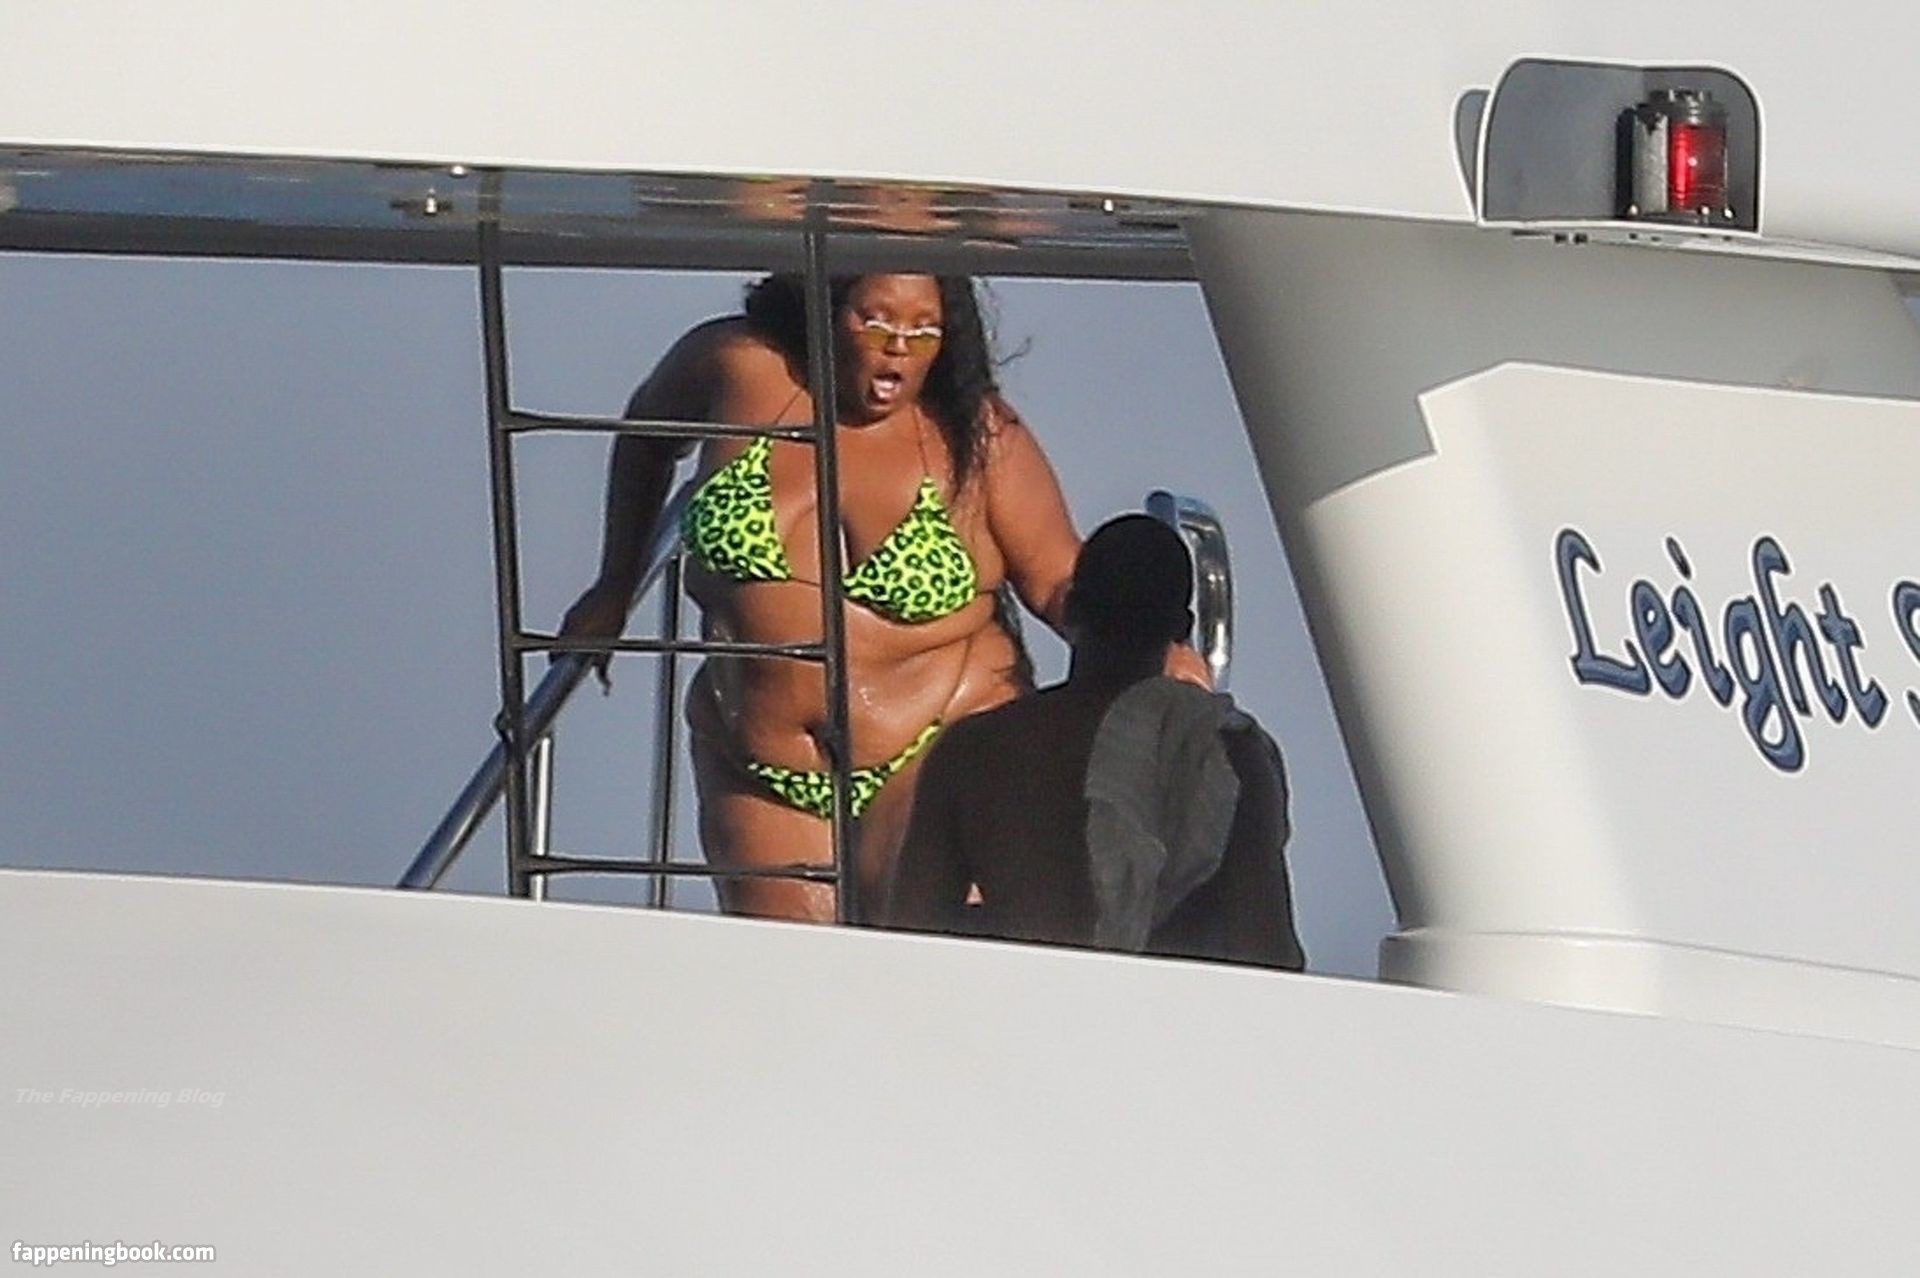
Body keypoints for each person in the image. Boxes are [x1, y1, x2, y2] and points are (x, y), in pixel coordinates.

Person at [559, 273, 1081, 922]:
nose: (898, 346)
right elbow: (646, 438)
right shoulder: (737, 365)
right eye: (877, 321)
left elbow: (1059, 578)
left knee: (925, 958)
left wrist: (1156, 647)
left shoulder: (978, 433)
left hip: (939, 744)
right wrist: (614, 581)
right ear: (828, 310)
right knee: (795, 973)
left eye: (923, 330)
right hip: (757, 763)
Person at [885, 515, 1305, 970]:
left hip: (1027, 1002)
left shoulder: (974, 752)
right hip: (1167, 1009)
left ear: (1073, 609)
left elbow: (912, 939)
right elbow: (1266, 948)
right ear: (1180, 628)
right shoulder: (1227, 752)